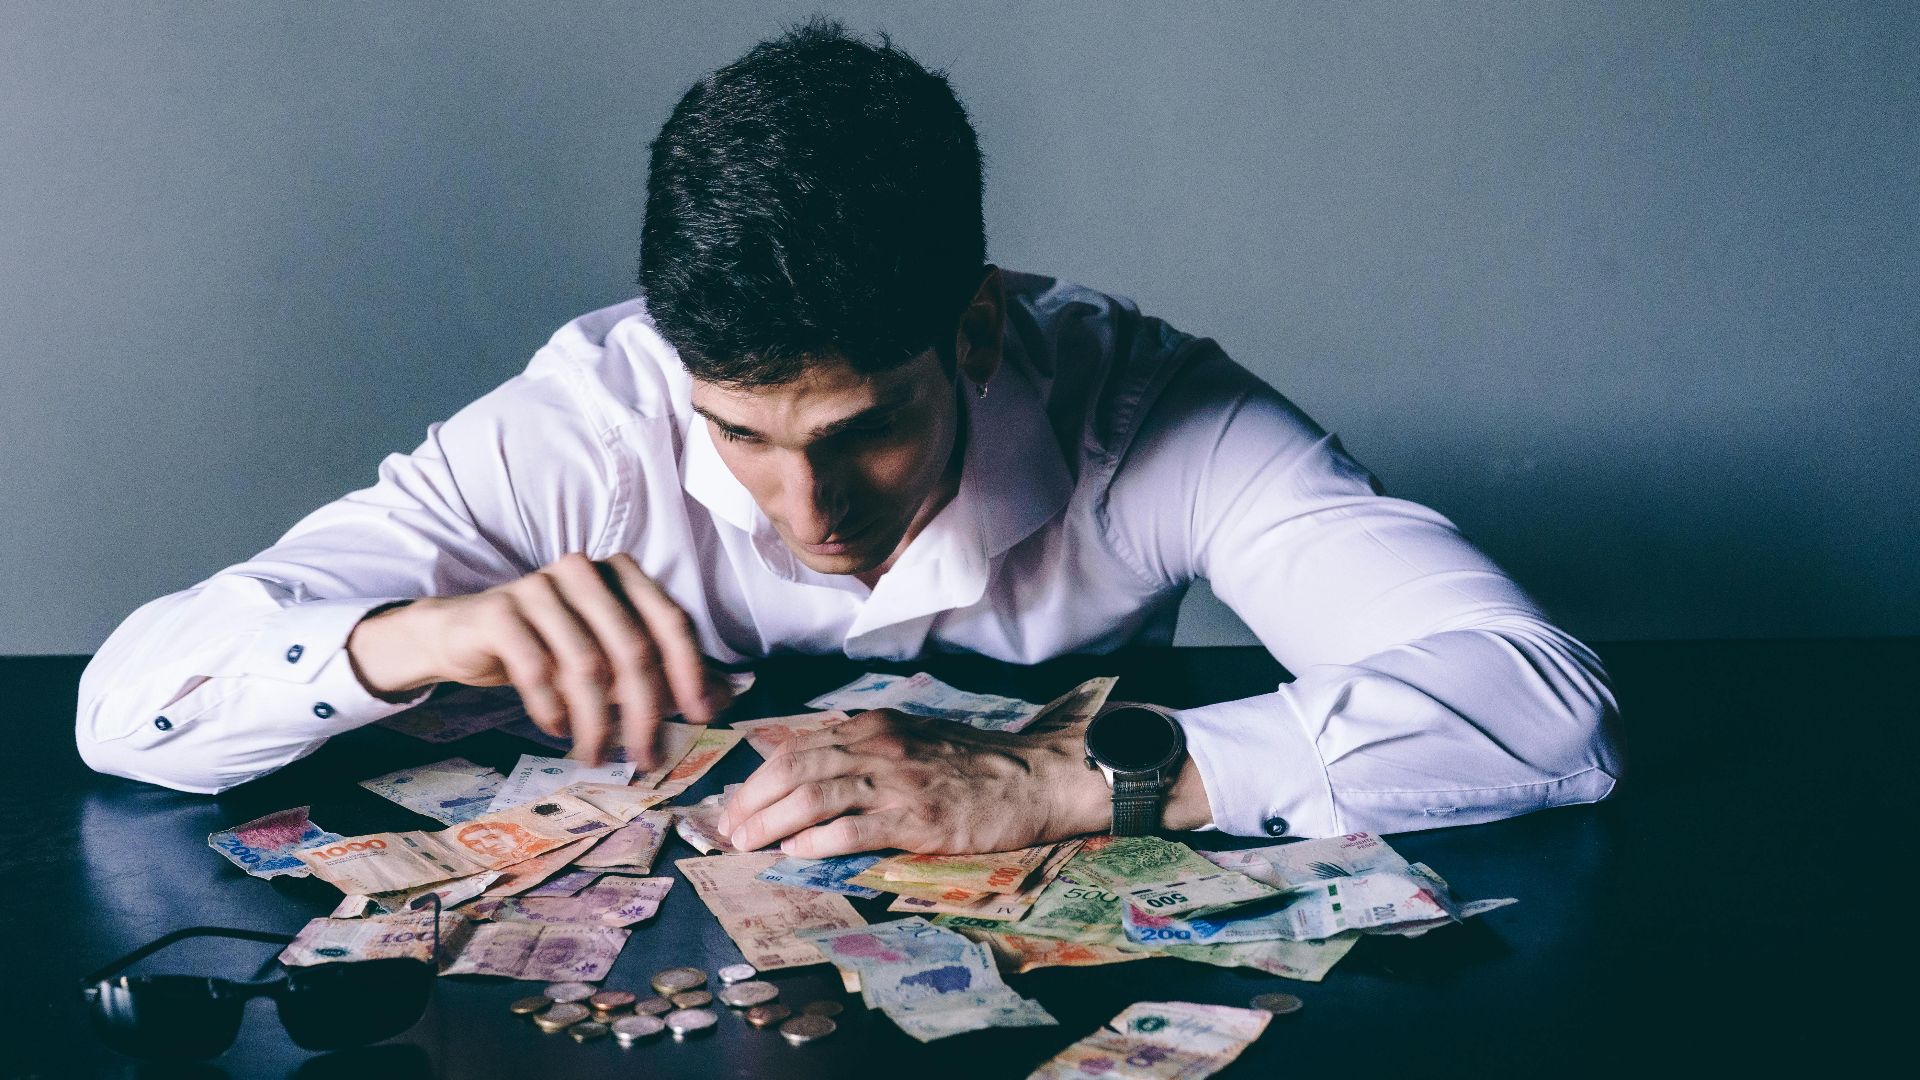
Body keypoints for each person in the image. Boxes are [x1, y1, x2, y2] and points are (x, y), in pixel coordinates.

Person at [75, 20, 1619, 856]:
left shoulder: (1151, 413)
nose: (802, 506)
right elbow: (124, 711)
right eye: (738, 434)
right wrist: (407, 637)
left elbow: (1546, 707)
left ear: (977, 331)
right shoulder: (584, 422)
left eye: (863, 430)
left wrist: (1063, 780)